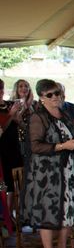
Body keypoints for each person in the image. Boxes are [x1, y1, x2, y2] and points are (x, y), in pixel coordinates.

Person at [21, 79, 74, 248]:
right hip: (46, 175)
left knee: (68, 211)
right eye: (49, 95)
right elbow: (35, 146)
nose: (55, 97)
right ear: (41, 98)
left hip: (66, 170)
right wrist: (61, 146)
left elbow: (69, 137)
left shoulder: (64, 114)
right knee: (48, 214)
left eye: (57, 93)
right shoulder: (38, 117)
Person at [0, 79, 23, 213]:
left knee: (16, 183)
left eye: (2, 89)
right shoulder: (8, 110)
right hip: (2, 150)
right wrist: (10, 115)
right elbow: (2, 128)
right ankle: (5, 215)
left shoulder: (9, 104)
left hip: (14, 147)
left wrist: (17, 115)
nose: (1, 92)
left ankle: (13, 213)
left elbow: (19, 124)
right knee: (3, 184)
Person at [10, 78, 35, 157]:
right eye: (20, 86)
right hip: (18, 140)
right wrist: (25, 107)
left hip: (33, 140)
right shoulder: (11, 104)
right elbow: (17, 121)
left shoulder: (35, 104)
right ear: (16, 89)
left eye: (26, 86)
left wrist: (29, 105)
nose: (24, 88)